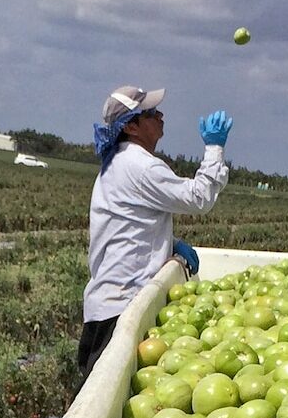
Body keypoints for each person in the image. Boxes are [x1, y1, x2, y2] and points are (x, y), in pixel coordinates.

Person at [77, 85, 234, 380]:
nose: (161, 115)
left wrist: (170, 243)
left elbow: (128, 224)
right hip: (120, 309)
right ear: (132, 127)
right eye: (151, 112)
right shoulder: (141, 166)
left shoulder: (118, 162)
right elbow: (198, 197)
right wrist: (214, 149)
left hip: (107, 304)